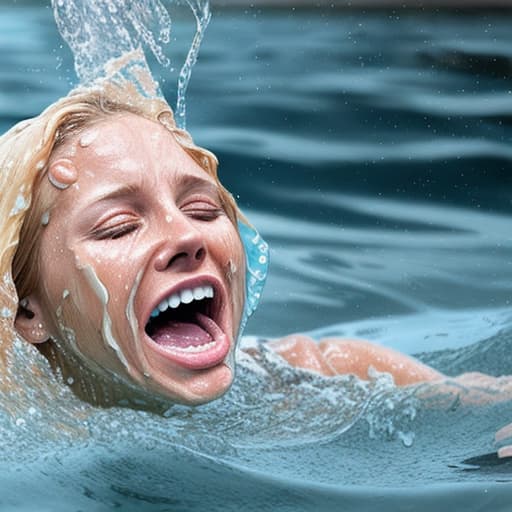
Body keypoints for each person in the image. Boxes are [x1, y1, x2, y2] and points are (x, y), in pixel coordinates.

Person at [1, 68, 511, 455]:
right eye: (121, 226)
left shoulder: (313, 378)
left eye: (203, 208)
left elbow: (487, 396)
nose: (186, 235)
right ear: (27, 313)